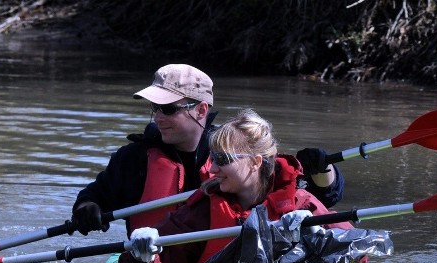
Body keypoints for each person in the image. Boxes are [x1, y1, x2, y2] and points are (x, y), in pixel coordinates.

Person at [70, 63, 345, 236]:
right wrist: (86, 208)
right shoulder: (134, 159)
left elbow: (318, 196)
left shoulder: (236, 151)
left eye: (168, 109)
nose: (158, 117)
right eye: (154, 108)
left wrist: (323, 169)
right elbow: (95, 195)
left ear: (202, 109)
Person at [117, 108, 355, 263]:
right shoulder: (203, 210)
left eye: (223, 159)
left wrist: (320, 240)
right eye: (213, 157)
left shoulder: (301, 204)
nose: (213, 168)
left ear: (255, 162)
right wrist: (143, 257)